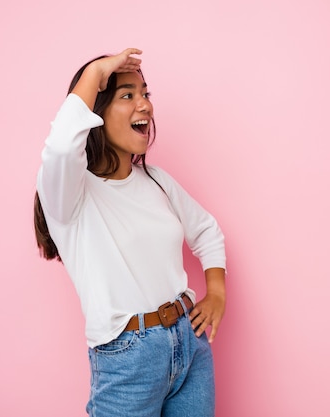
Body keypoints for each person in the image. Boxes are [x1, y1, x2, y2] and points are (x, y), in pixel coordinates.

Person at [33, 48, 227, 417]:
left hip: (190, 344)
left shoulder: (157, 181)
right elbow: (59, 148)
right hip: (129, 358)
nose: (145, 106)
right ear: (95, 114)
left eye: (145, 94)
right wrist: (96, 71)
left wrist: (216, 291)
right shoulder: (71, 195)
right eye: (128, 95)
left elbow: (206, 230)